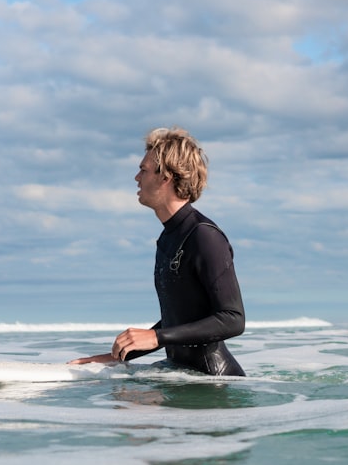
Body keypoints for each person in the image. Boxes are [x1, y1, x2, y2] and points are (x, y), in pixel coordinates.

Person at [70, 127, 246, 376]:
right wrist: (116, 357)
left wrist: (156, 336)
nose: (136, 178)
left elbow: (233, 318)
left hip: (215, 385)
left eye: (143, 170)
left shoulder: (205, 236)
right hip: (184, 377)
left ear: (165, 177)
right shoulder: (168, 238)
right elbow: (182, 318)